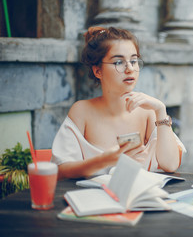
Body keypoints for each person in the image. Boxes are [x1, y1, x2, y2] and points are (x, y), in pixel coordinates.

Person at [51, 26, 186, 180]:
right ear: (98, 71)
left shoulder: (147, 111)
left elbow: (170, 165)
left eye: (134, 61)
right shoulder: (82, 111)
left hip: (138, 199)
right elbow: (62, 170)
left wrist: (161, 110)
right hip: (93, 199)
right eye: (118, 62)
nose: (130, 69)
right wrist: (104, 161)